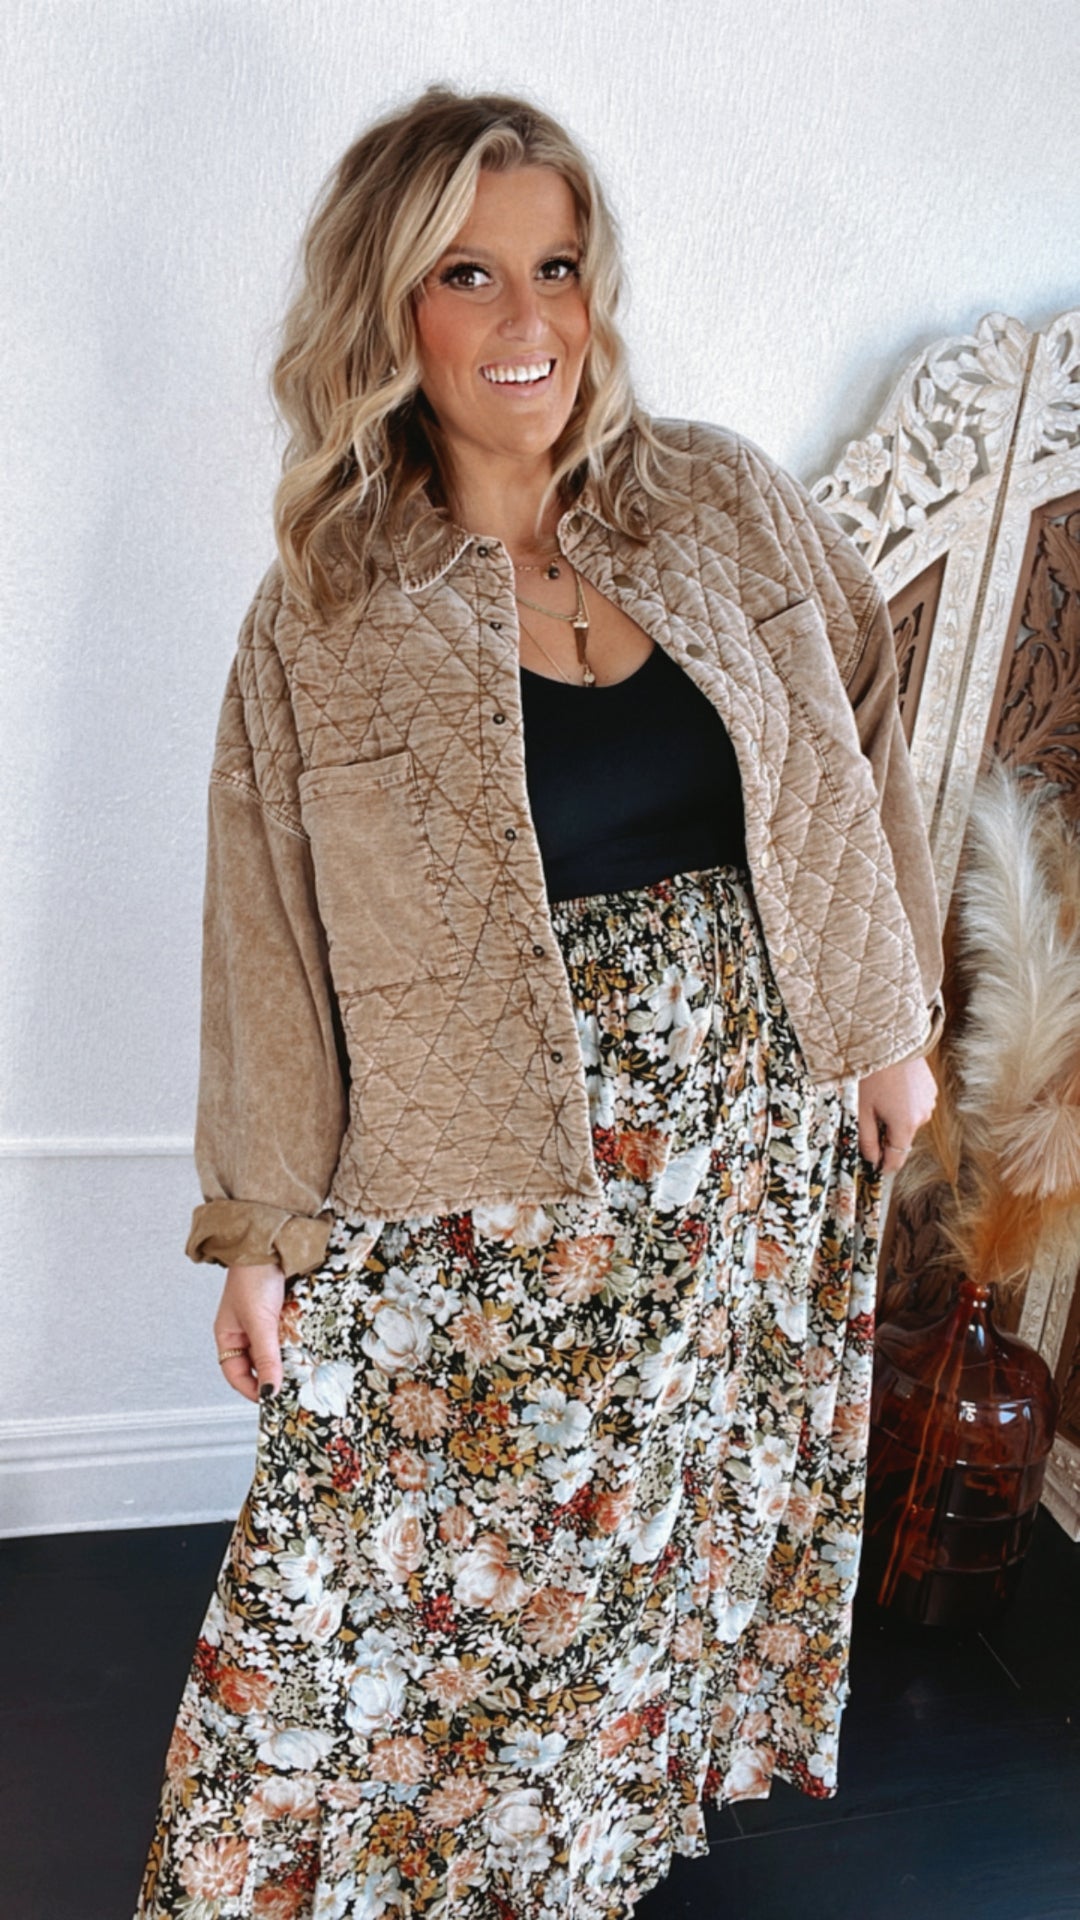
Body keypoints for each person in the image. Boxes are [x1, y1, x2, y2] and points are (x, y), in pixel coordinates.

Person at [135, 85, 941, 1920]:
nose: (529, 321)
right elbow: (266, 935)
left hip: (740, 1141)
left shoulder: (721, 500)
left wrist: (883, 1018)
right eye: (471, 274)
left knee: (640, 1538)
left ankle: (576, 1862)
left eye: (558, 267)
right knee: (401, 1562)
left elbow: (859, 720)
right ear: (390, 308)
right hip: (483, 1172)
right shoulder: (329, 605)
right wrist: (260, 1228)